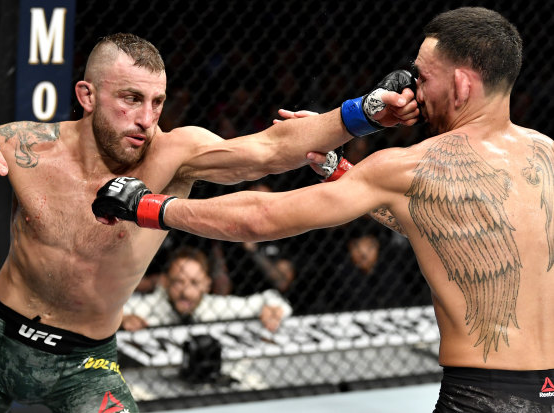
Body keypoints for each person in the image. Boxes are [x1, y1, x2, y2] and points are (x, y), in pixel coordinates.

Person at [94, 8, 554, 412]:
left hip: (481, 396)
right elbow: (450, 224)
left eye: (423, 76)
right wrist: (340, 171)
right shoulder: (546, 154)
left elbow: (261, 218)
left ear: (459, 84)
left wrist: (150, 206)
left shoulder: (409, 166)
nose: (414, 89)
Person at [0, 33, 418, 411]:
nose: (147, 119)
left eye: (157, 102)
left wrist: (368, 111)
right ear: (86, 94)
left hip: (86, 364)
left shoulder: (174, 155)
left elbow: (271, 149)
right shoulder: (27, 146)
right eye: (130, 99)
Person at [121, 246, 291, 332]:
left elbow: (270, 298)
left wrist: (275, 309)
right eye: (179, 281)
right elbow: (110, 310)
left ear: (207, 285)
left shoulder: (215, 307)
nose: (186, 292)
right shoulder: (149, 306)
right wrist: (122, 319)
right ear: (165, 282)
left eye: (194, 283)